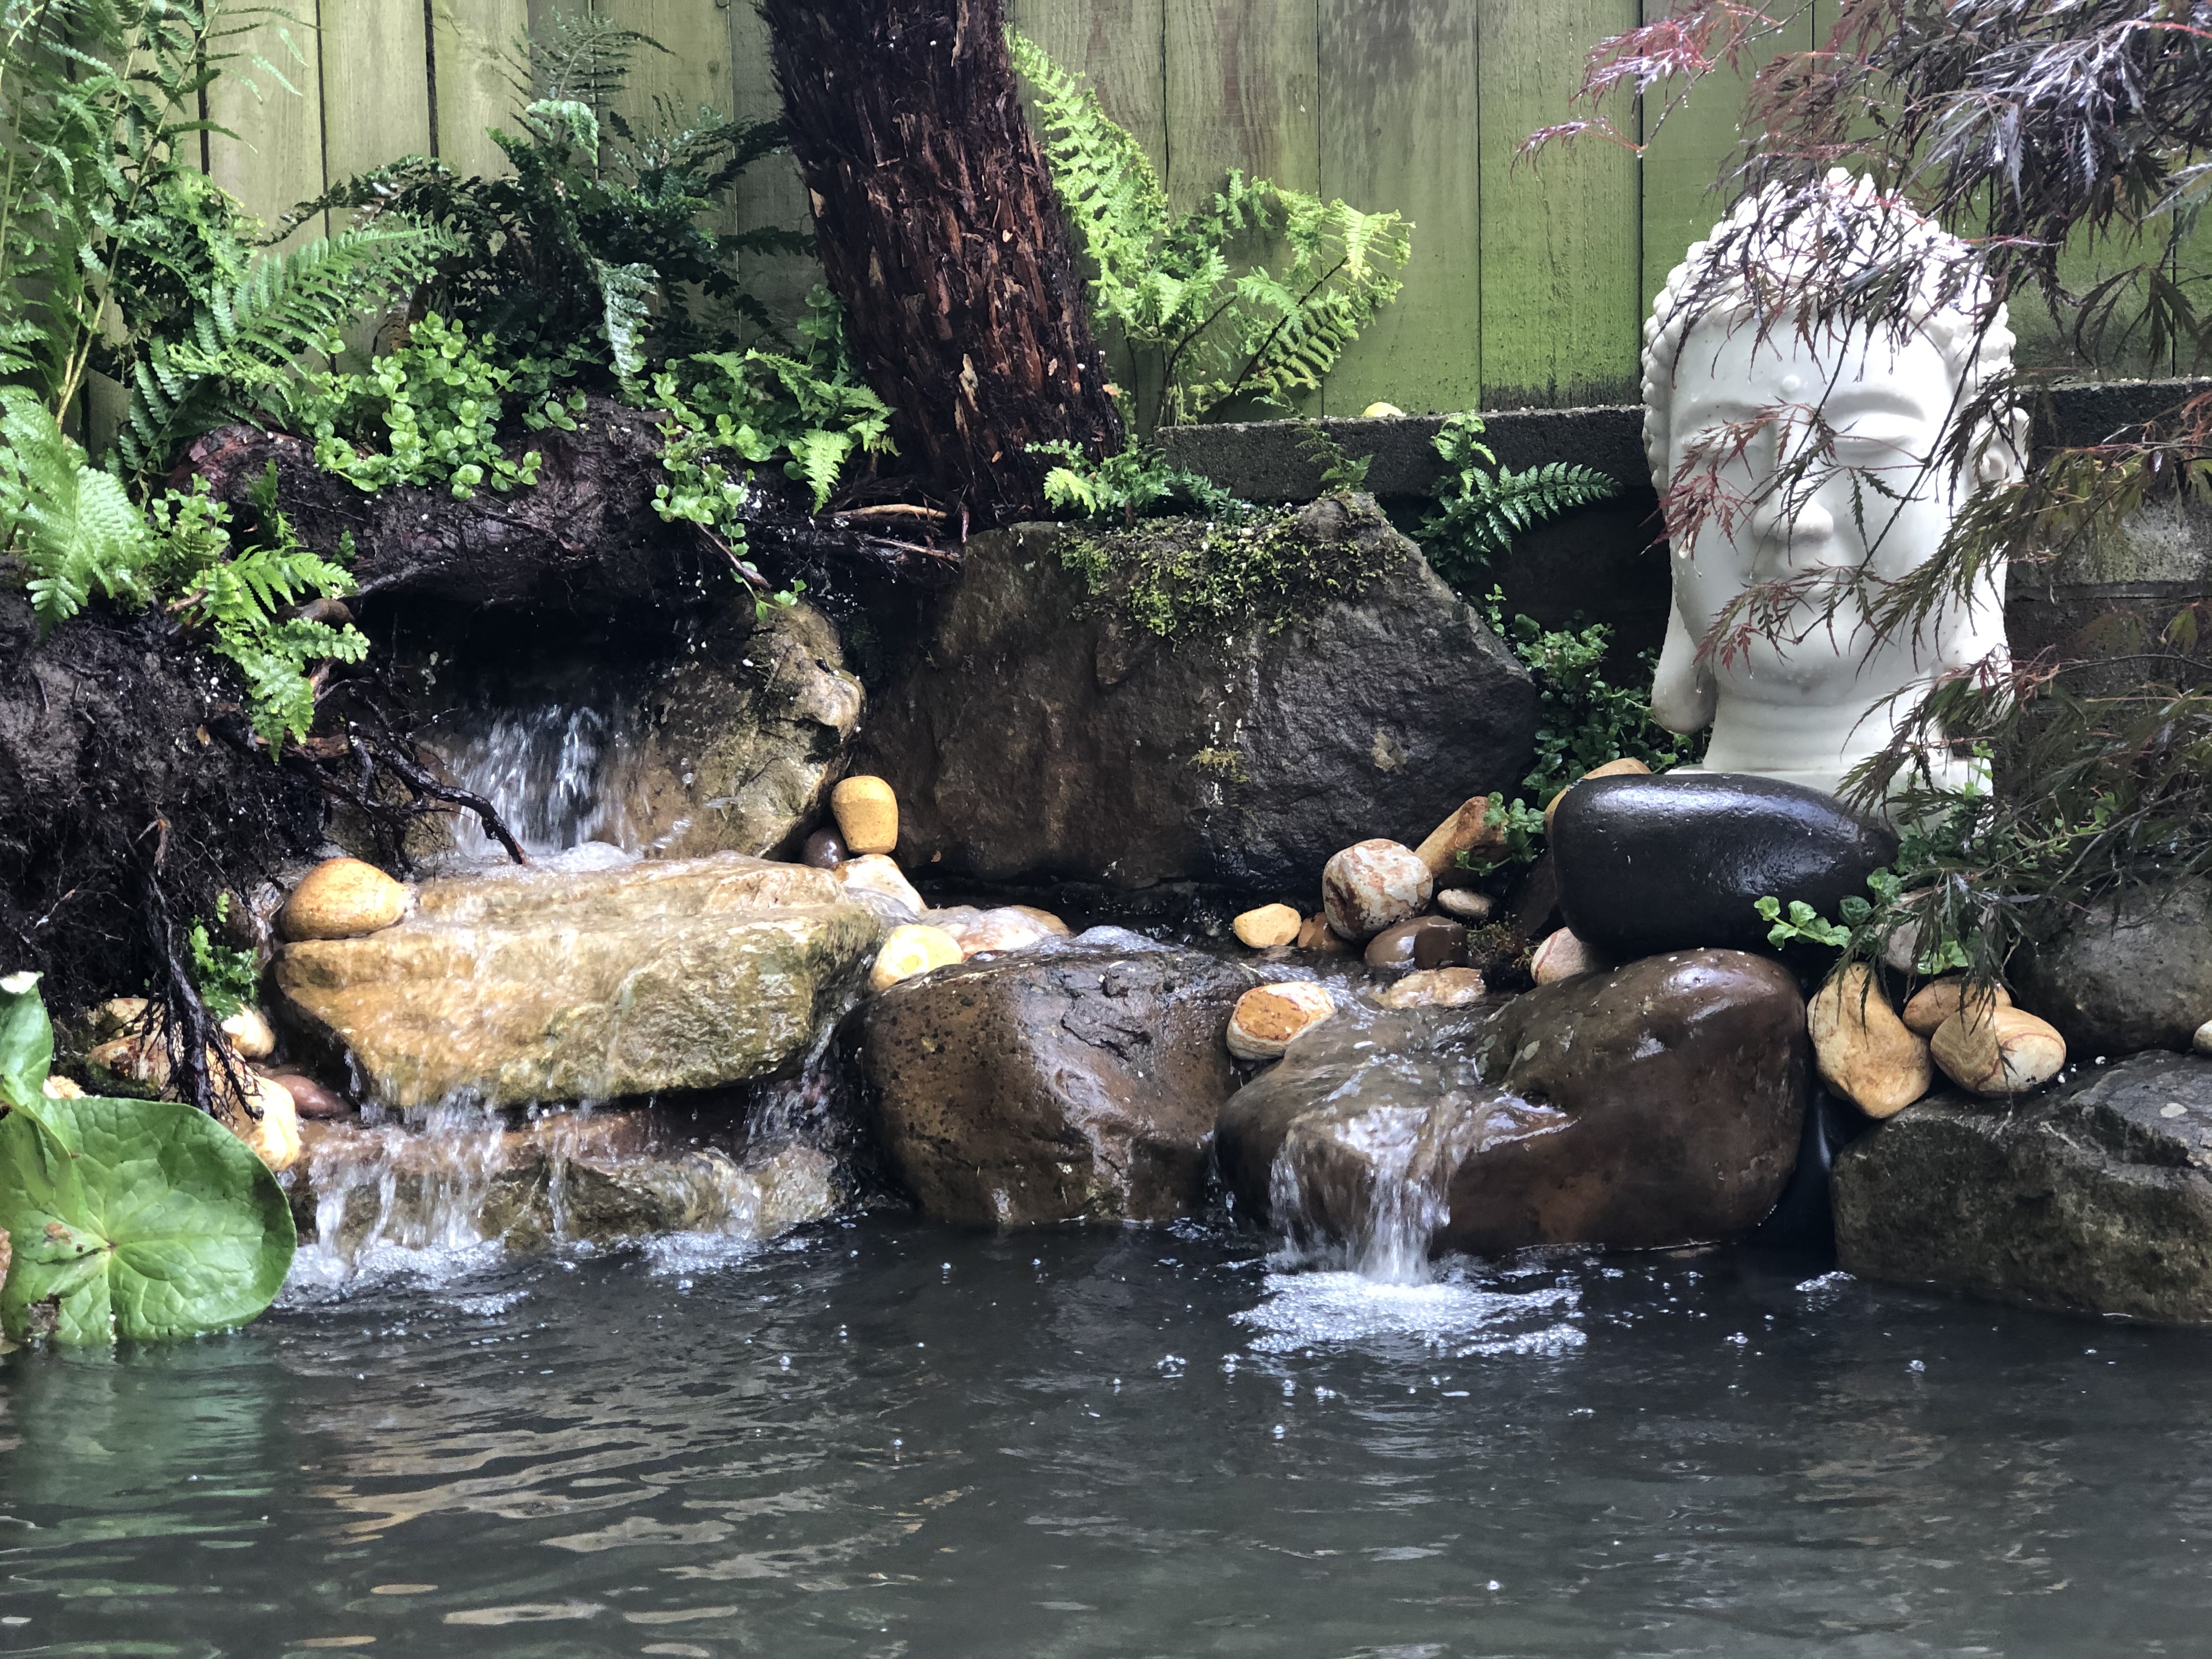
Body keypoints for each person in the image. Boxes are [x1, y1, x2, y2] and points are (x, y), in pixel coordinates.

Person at [1641, 170, 2025, 801]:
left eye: (1866, 445)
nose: (1789, 517)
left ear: (1985, 488)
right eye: (1725, 450)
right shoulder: (1639, 838)